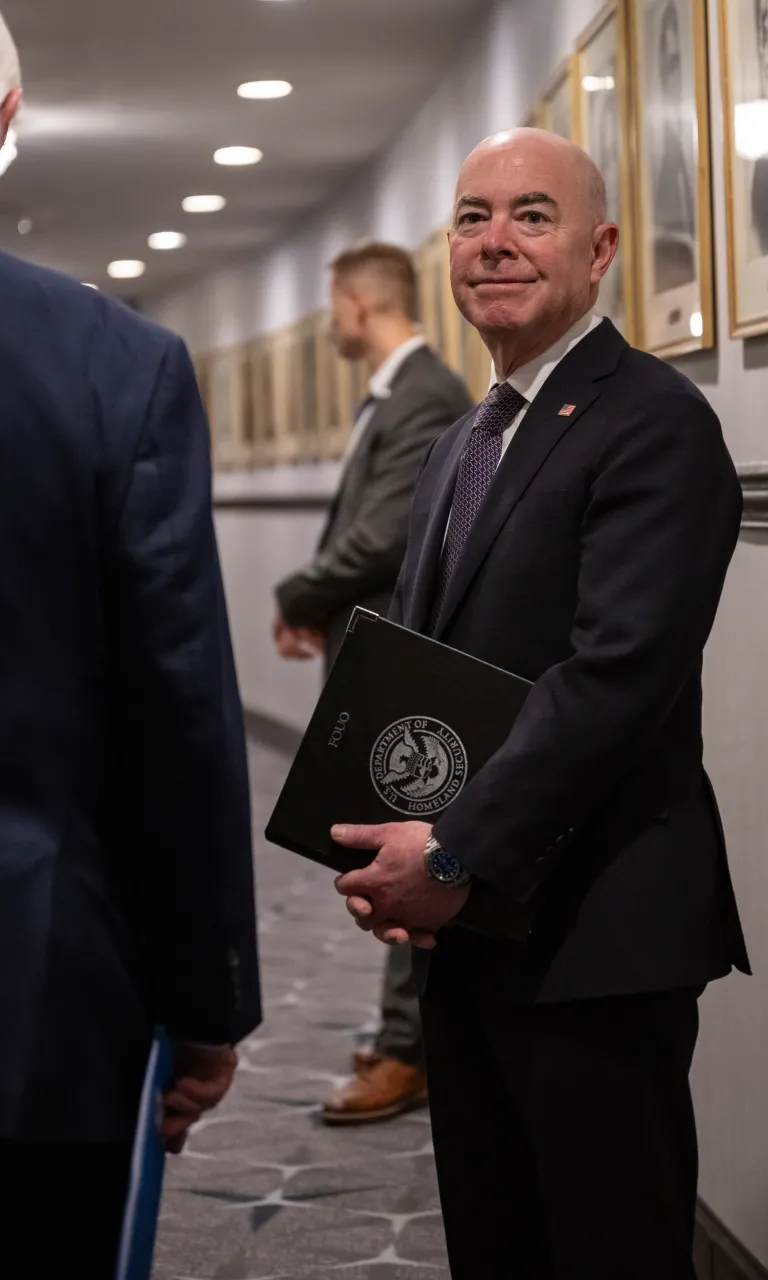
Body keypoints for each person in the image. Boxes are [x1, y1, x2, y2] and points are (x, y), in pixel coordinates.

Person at [330, 129, 750, 1278]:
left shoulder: (653, 421)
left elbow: (613, 679)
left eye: (531, 214)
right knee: (498, 1234)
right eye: (472, 218)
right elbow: (427, 668)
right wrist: (386, 842)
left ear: (601, 246)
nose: (495, 243)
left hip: (595, 932)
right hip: (474, 937)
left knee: (606, 1243)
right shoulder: (467, 437)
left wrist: (453, 849)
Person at [0, 15, 261, 1275]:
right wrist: (206, 1000)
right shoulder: (114, 366)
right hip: (33, 994)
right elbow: (179, 713)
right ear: (5, 124)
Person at [273, 242, 471, 1123]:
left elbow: (385, 535)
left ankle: (408, 1048)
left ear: (358, 303)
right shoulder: (396, 393)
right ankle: (409, 1035)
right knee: (387, 847)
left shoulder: (426, 392)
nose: (330, 321)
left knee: (404, 845)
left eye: (333, 304)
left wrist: (298, 593)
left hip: (403, 661)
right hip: (375, 650)